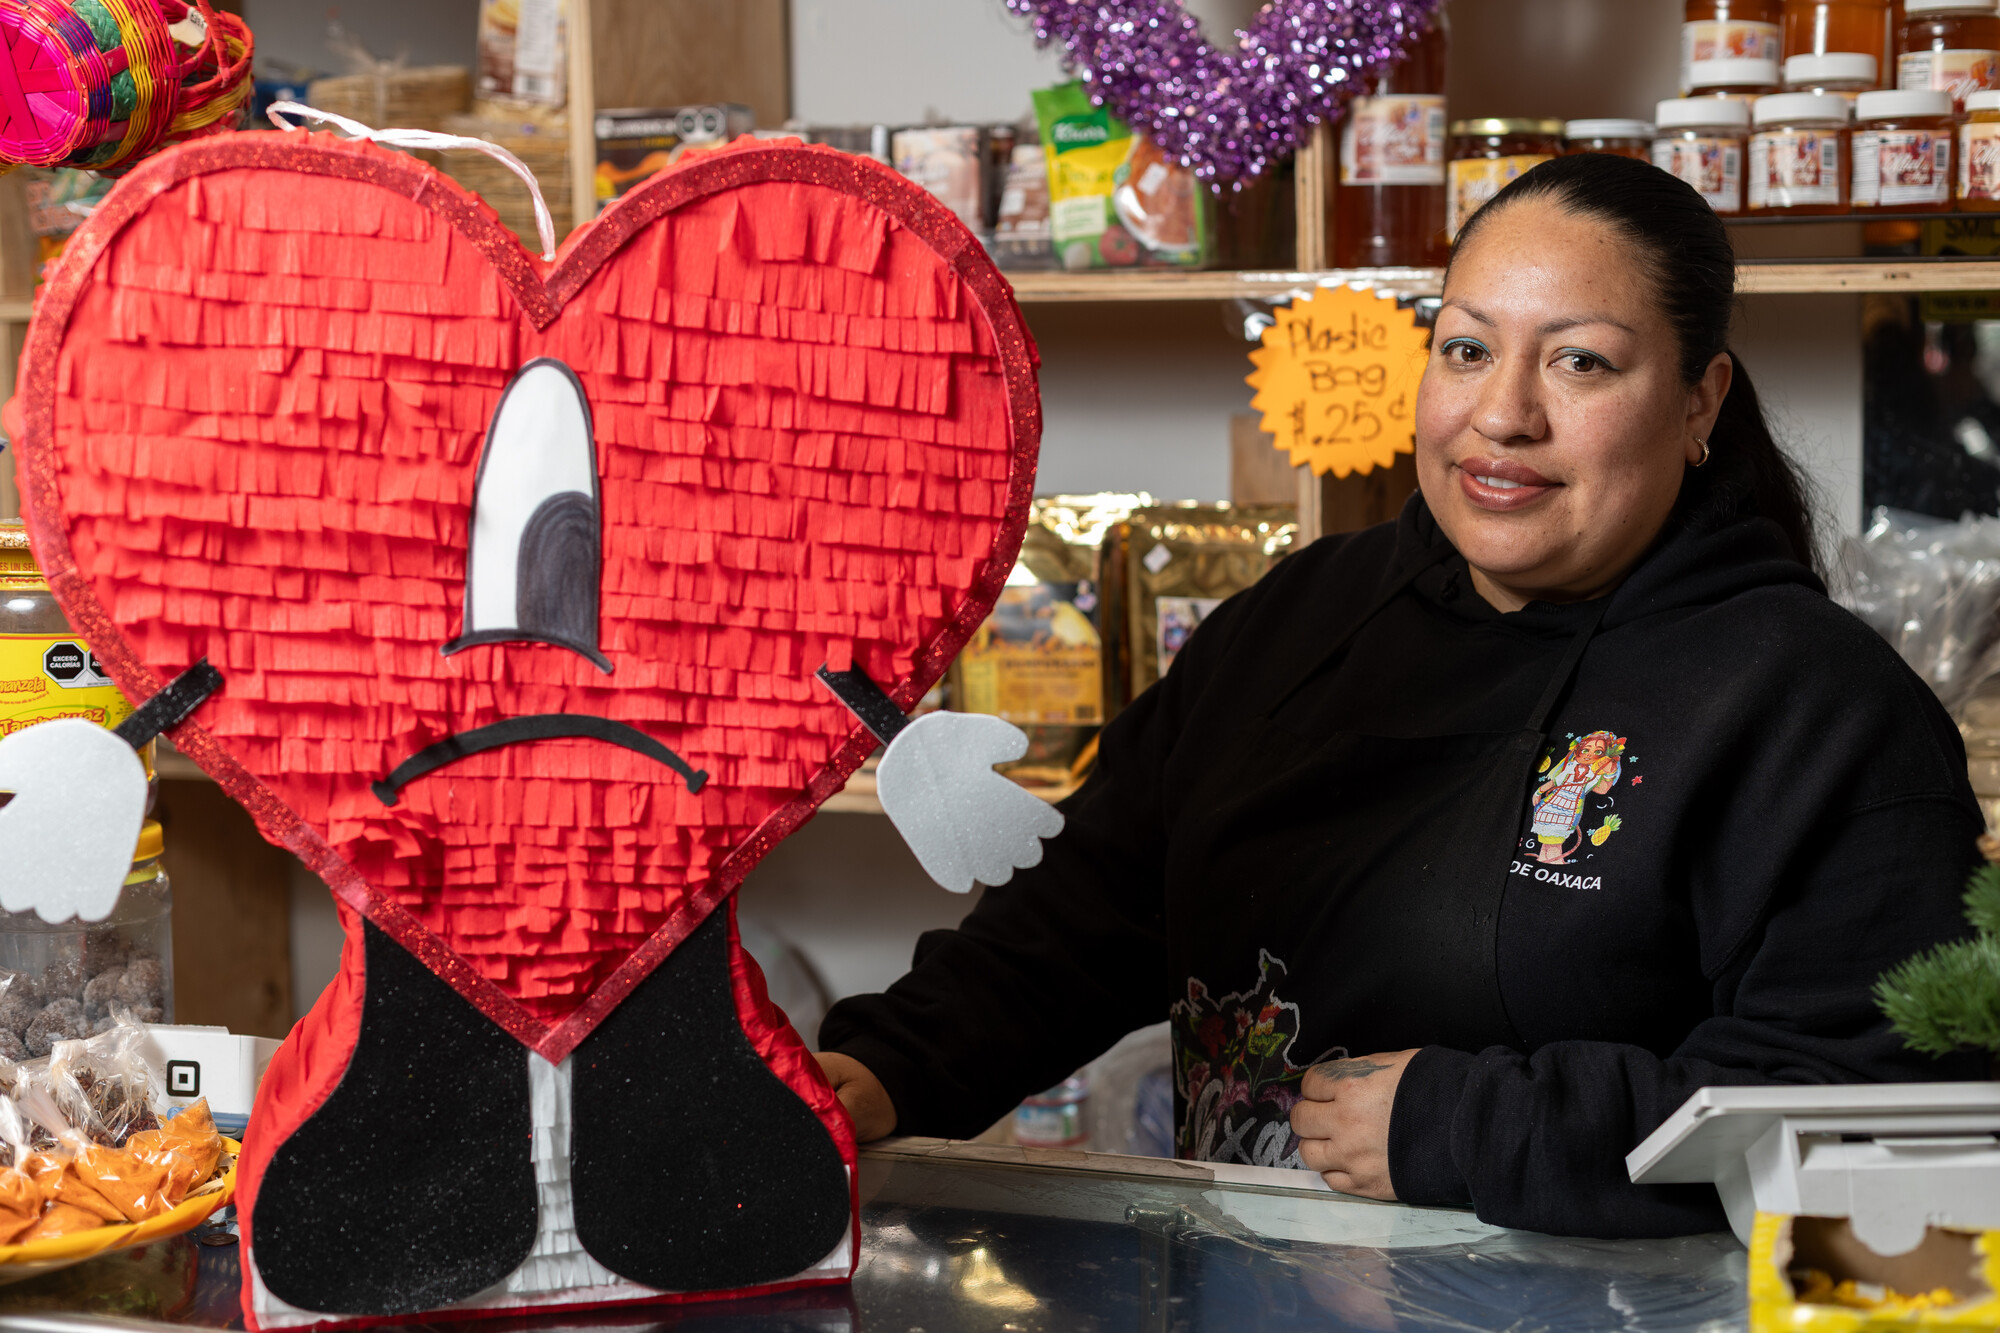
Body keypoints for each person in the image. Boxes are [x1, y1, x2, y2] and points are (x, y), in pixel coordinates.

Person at [814, 153, 1988, 1238]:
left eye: (1579, 360)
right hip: (1247, 1297)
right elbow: (1091, 910)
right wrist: (891, 1066)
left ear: (1697, 401)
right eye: (1465, 348)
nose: (1501, 414)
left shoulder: (1814, 707)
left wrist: (1464, 1126)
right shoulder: (1302, 618)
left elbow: (1867, 1113)